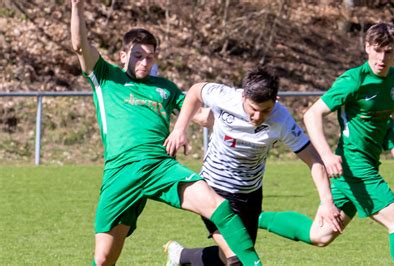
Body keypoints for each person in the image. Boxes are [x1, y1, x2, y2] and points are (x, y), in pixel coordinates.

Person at [70, 1, 262, 265]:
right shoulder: (106, 76)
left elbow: (202, 116)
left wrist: (245, 117)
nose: (144, 62)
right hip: (121, 172)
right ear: (123, 55)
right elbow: (80, 46)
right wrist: (77, 7)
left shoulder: (165, 88)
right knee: (103, 260)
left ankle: (246, 262)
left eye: (150, 57)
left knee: (218, 205)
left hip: (160, 166)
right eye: (138, 55)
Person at [257, 22, 394, 265]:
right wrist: (326, 155)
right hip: (355, 167)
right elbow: (311, 115)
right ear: (367, 48)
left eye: (389, 51)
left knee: (320, 235)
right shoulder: (353, 80)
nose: (382, 58)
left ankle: (253, 217)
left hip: (361, 167)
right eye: (377, 50)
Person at [162, 67, 343, 265]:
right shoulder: (225, 97)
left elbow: (313, 160)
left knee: (227, 258)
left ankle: (181, 256)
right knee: (240, 259)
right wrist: (179, 129)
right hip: (213, 189)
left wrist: (326, 201)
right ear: (243, 96)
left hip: (249, 194)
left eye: (265, 110)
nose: (257, 117)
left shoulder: (281, 119)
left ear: (276, 100)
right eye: (252, 109)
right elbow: (196, 91)